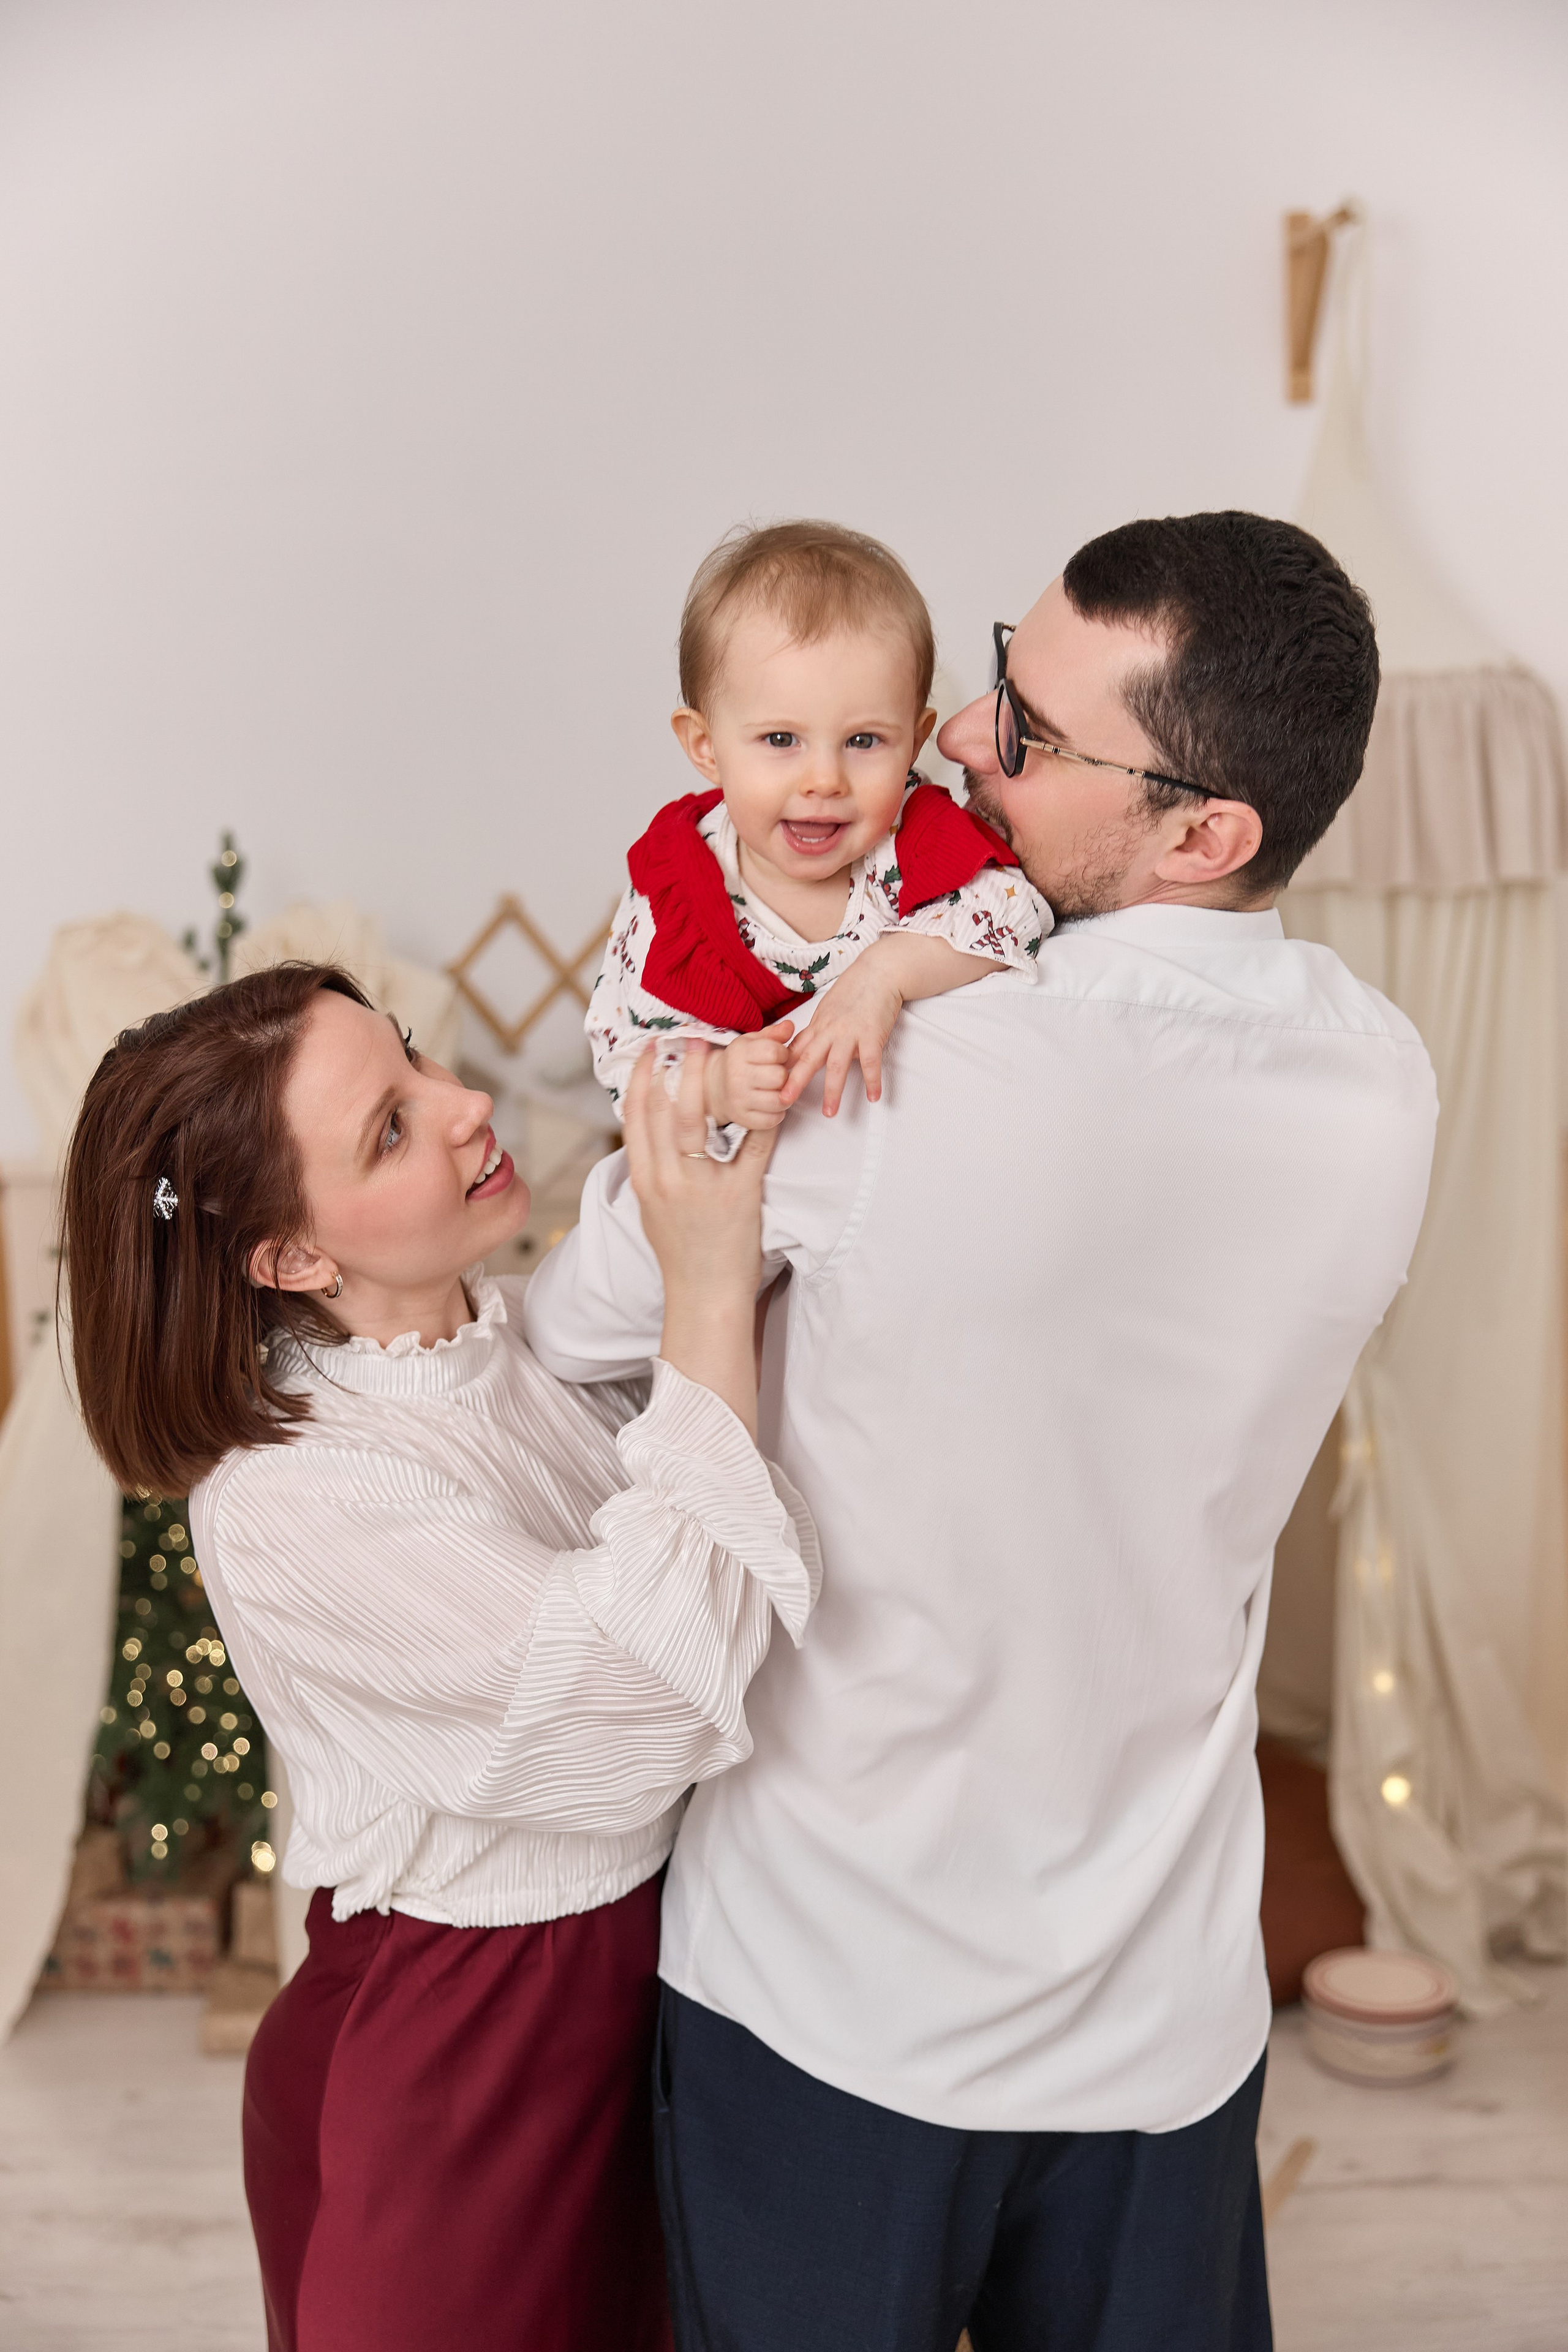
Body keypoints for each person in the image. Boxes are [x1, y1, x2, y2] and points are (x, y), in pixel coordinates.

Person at [524, 511, 1440, 2352]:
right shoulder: (1379, 1078)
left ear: (1203, 831)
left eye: (1021, 729)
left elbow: (575, 1325)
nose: (950, 738)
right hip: (1158, 2007)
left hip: (832, 1980)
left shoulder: (887, 1079)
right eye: (993, 677)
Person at [59, 963, 818, 2352]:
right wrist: (708, 1284)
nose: (468, 1103)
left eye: (413, 1062)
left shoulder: (497, 1331)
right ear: (288, 1256)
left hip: (634, 2000)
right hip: (466, 2057)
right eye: (390, 1127)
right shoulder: (290, 1497)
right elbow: (645, 1703)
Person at [587, 518, 1052, 1149]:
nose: (825, 779)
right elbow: (625, 1060)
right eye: (781, 740)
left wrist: (885, 973)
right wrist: (714, 1084)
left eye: (864, 741)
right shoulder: (676, 891)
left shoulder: (915, 837)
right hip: (756, 1194)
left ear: (914, 741)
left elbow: (1017, 909)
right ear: (706, 747)